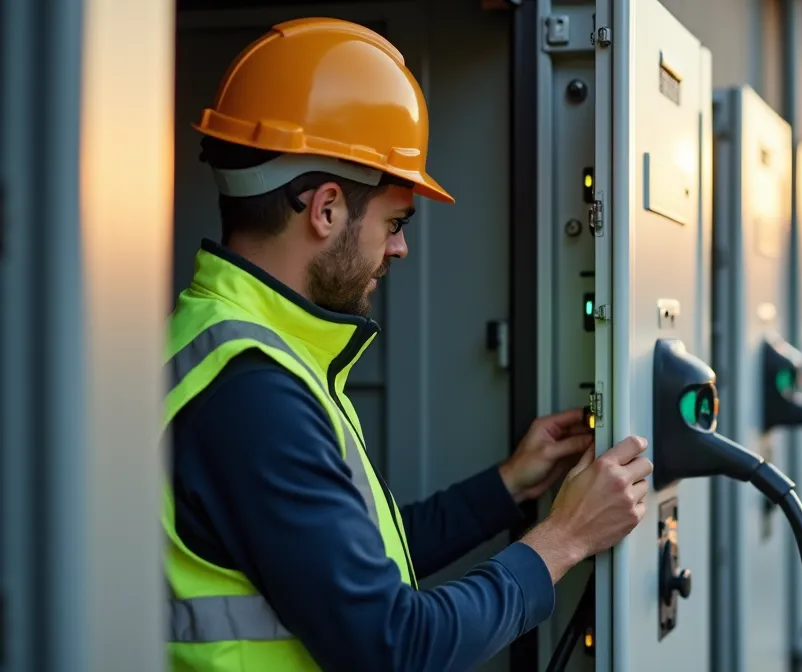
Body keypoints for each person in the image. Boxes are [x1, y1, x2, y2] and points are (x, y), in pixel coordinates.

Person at [162, 17, 652, 671]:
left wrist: (509, 485)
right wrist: (563, 539)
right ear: (327, 209)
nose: (400, 247)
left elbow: (353, 565)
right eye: (394, 221)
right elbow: (396, 645)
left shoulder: (241, 347)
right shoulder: (252, 392)